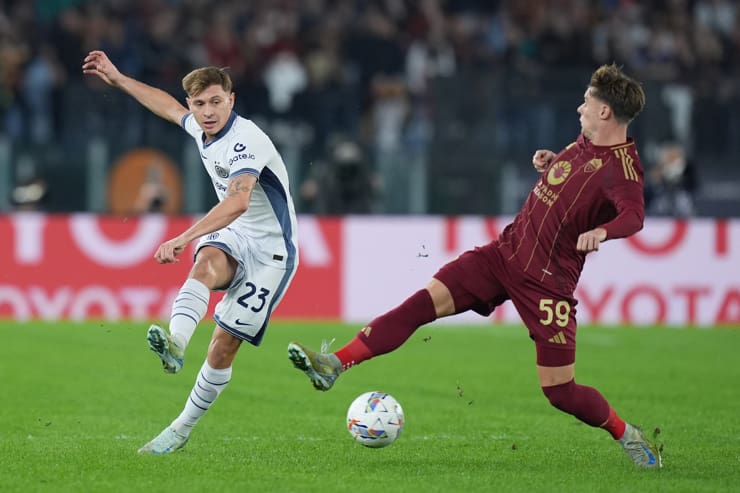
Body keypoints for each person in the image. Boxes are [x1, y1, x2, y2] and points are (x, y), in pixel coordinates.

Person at [288, 64, 662, 468]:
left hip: (546, 284)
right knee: (418, 305)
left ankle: (628, 435)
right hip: (503, 255)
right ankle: (334, 364)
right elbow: (577, 182)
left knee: (560, 392)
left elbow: (634, 215)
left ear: (606, 112)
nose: (579, 108)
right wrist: (554, 163)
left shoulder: (623, 169)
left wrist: (603, 232)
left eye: (587, 101)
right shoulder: (584, 143)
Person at [83, 50, 299, 454]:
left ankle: (180, 430)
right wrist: (120, 78)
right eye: (199, 104)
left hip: (272, 253)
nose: (208, 111)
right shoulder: (201, 128)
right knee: (204, 264)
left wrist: (182, 237)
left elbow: (236, 202)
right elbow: (165, 105)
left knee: (222, 345)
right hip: (236, 235)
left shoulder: (246, 140)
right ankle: (176, 345)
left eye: (216, 101)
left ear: (231, 100)